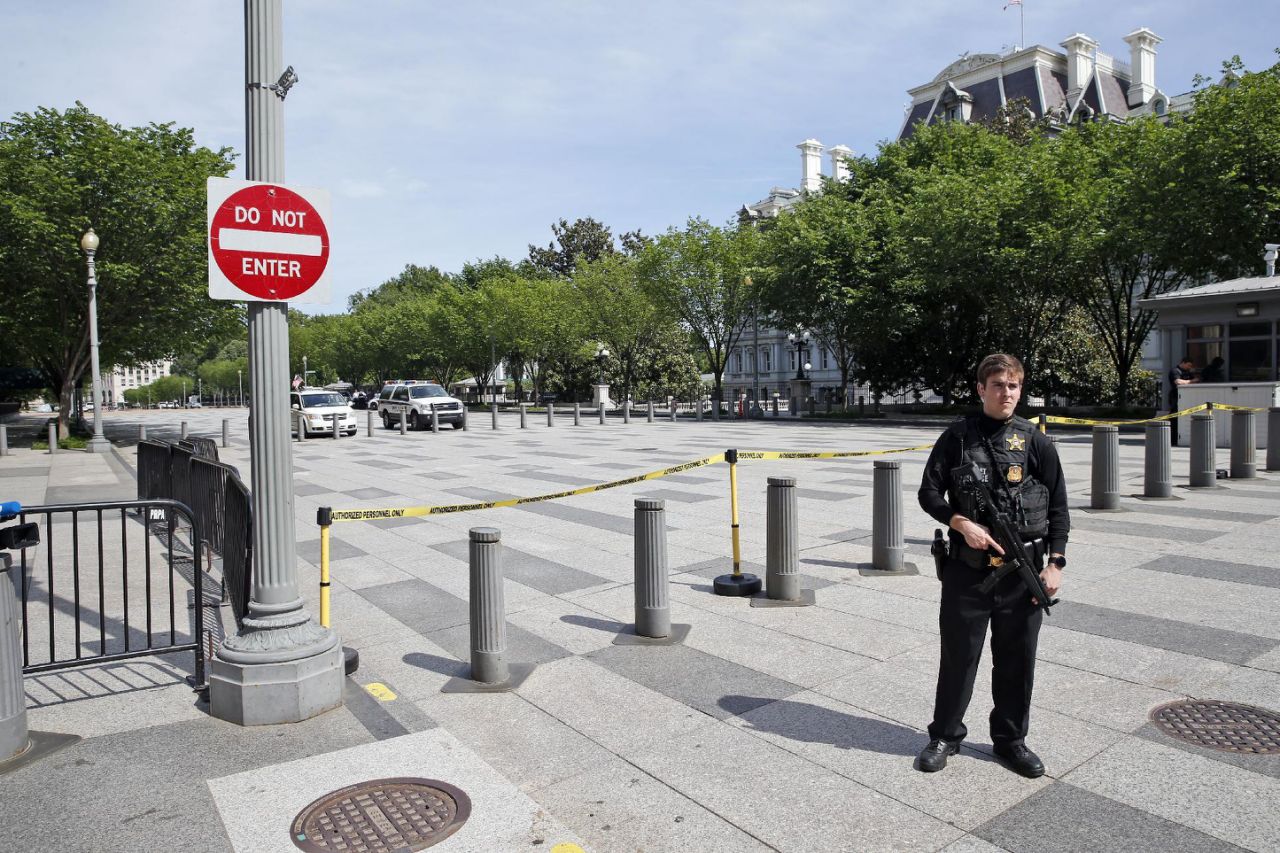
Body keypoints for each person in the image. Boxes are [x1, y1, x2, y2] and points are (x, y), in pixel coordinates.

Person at [916, 353, 1069, 778]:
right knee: (959, 656)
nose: (1007, 393)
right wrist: (959, 521)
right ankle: (945, 735)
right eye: (998, 385)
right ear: (981, 389)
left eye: (1014, 386)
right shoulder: (956, 438)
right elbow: (929, 493)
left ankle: (1011, 741)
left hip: (1024, 571)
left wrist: (1055, 563)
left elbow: (1058, 506)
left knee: (1017, 659)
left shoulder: (1035, 440)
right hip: (968, 569)